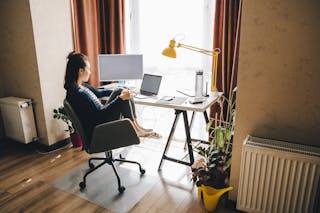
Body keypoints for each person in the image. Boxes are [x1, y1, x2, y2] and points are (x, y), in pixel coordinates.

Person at [64, 51, 154, 141]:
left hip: (101, 121)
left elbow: (99, 92)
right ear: (81, 71)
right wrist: (120, 98)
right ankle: (136, 129)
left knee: (120, 91)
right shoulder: (79, 94)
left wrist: (122, 91)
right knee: (122, 97)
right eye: (88, 69)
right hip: (100, 129)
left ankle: (137, 127)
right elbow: (100, 115)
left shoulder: (80, 86)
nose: (90, 72)